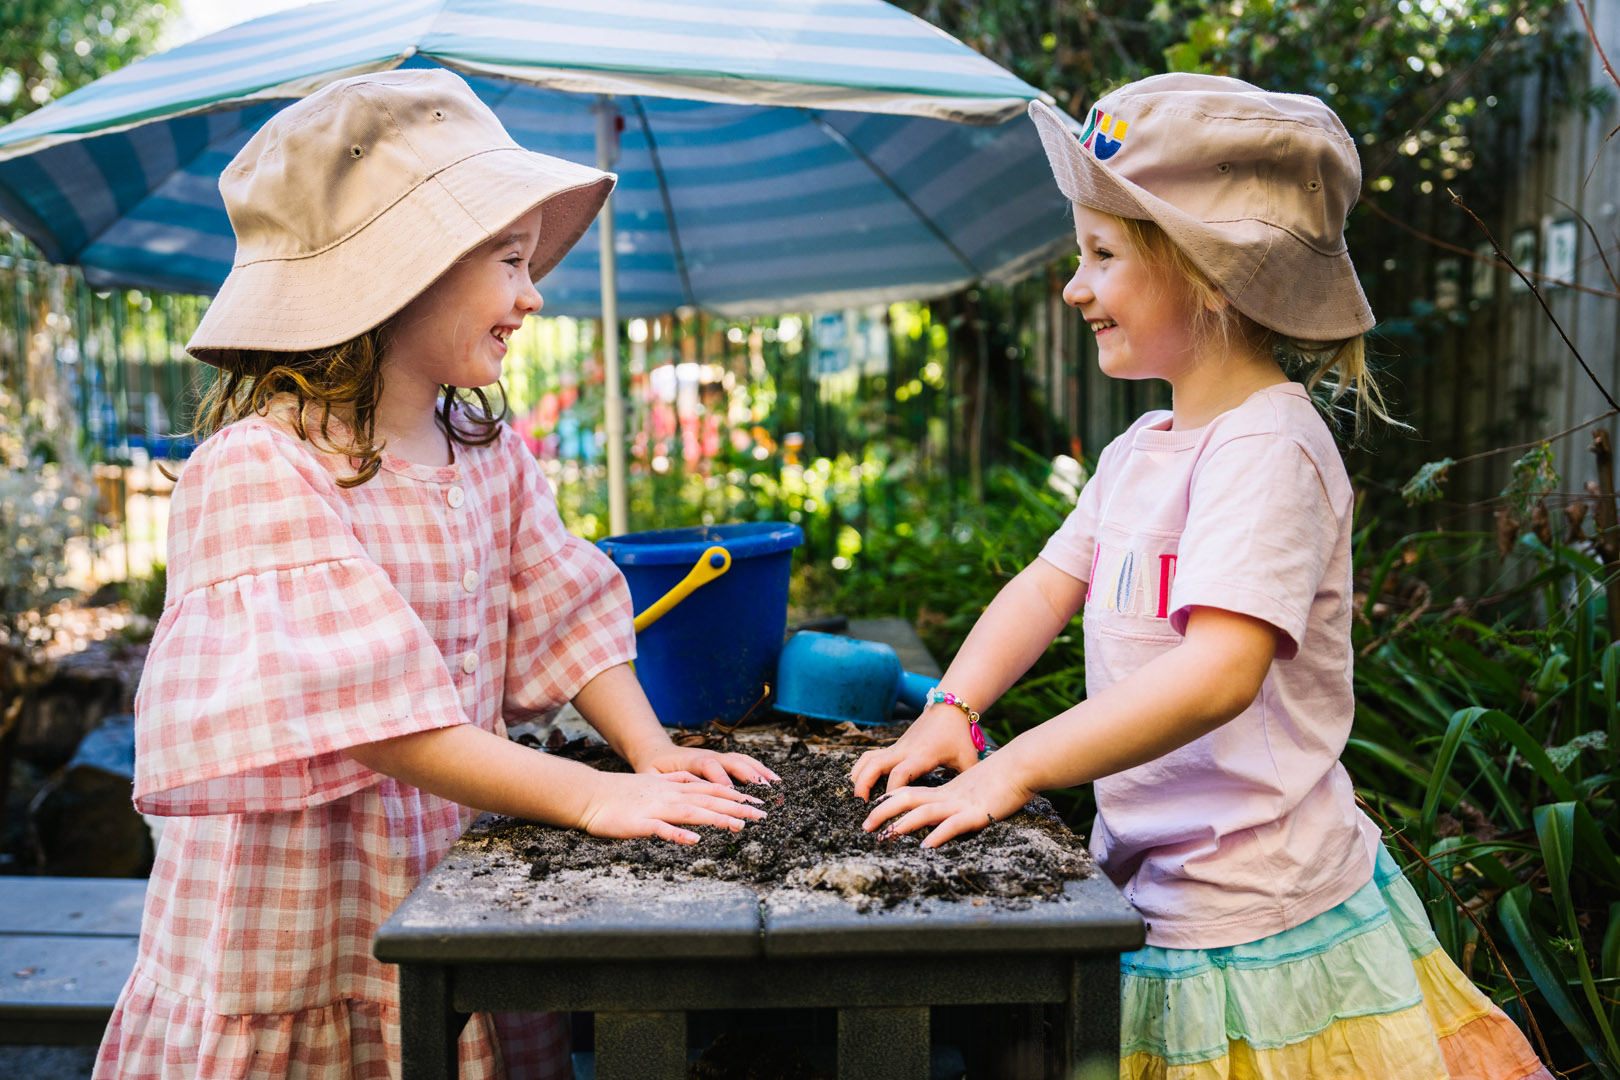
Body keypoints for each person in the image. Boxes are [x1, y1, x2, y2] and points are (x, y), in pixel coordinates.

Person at [853, 73, 1551, 1080]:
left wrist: (1015, 766)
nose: (1073, 287)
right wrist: (953, 711)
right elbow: (1048, 583)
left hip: (1259, 917)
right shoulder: (1145, 447)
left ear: (1214, 274)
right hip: (1161, 891)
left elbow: (1221, 672)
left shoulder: (1271, 447)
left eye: (1101, 256)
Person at [95, 69, 778, 1080]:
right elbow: (374, 717)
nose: (531, 293)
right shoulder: (259, 468)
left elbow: (561, 606)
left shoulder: (483, 449)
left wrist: (649, 750)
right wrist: (586, 800)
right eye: (509, 259)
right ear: (399, 270)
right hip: (302, 912)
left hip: (450, 864)